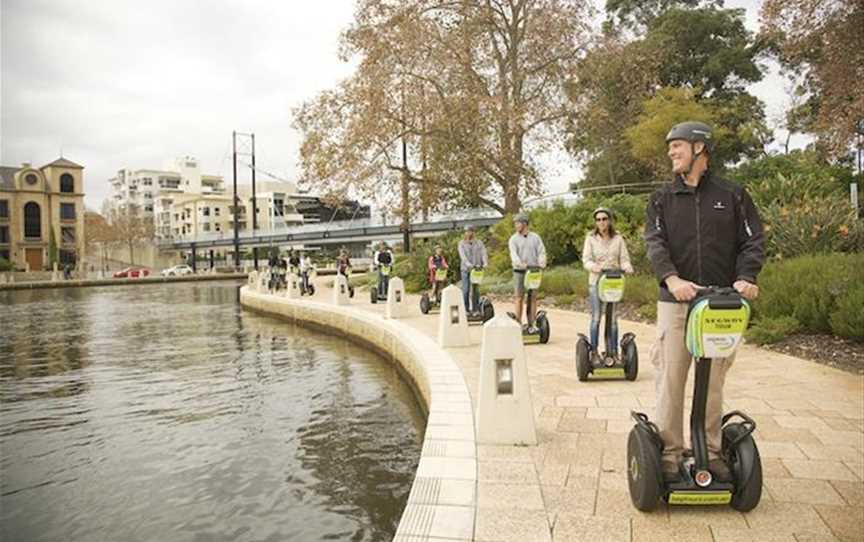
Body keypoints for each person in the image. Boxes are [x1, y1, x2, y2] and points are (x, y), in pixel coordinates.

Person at [644, 121, 764, 484]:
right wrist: (672, 279)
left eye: (677, 145)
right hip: (676, 302)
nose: (671, 153)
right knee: (672, 379)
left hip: (720, 305)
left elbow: (752, 241)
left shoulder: (733, 195)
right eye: (670, 147)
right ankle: (668, 452)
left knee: (712, 383)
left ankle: (711, 452)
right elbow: (655, 243)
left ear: (700, 148)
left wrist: (747, 277)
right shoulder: (662, 198)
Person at [582, 207, 634, 362]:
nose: (601, 222)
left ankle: (613, 352)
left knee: (612, 319)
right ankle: (594, 353)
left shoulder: (618, 238)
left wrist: (627, 267)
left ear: (609, 220)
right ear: (595, 222)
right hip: (596, 281)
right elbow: (586, 259)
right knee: (597, 317)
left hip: (614, 282)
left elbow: (624, 258)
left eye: (604, 219)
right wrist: (593, 267)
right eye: (598, 220)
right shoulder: (590, 238)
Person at [508, 213, 547, 331]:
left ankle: (532, 324)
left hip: (534, 271)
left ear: (524, 223)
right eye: (515, 223)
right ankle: (518, 324)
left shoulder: (535, 237)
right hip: (519, 271)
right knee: (519, 297)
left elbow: (541, 251)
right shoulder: (513, 239)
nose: (516, 225)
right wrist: (520, 263)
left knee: (533, 297)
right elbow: (513, 254)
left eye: (517, 223)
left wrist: (542, 262)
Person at [458, 225, 488, 313]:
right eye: (467, 231)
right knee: (466, 290)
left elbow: (484, 253)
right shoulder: (461, 243)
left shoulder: (479, 243)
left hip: (476, 270)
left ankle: (476, 309)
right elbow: (462, 256)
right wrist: (469, 264)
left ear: (473, 232)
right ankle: (465, 310)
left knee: (476, 290)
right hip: (465, 270)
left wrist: (485, 263)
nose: (468, 233)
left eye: (470, 231)